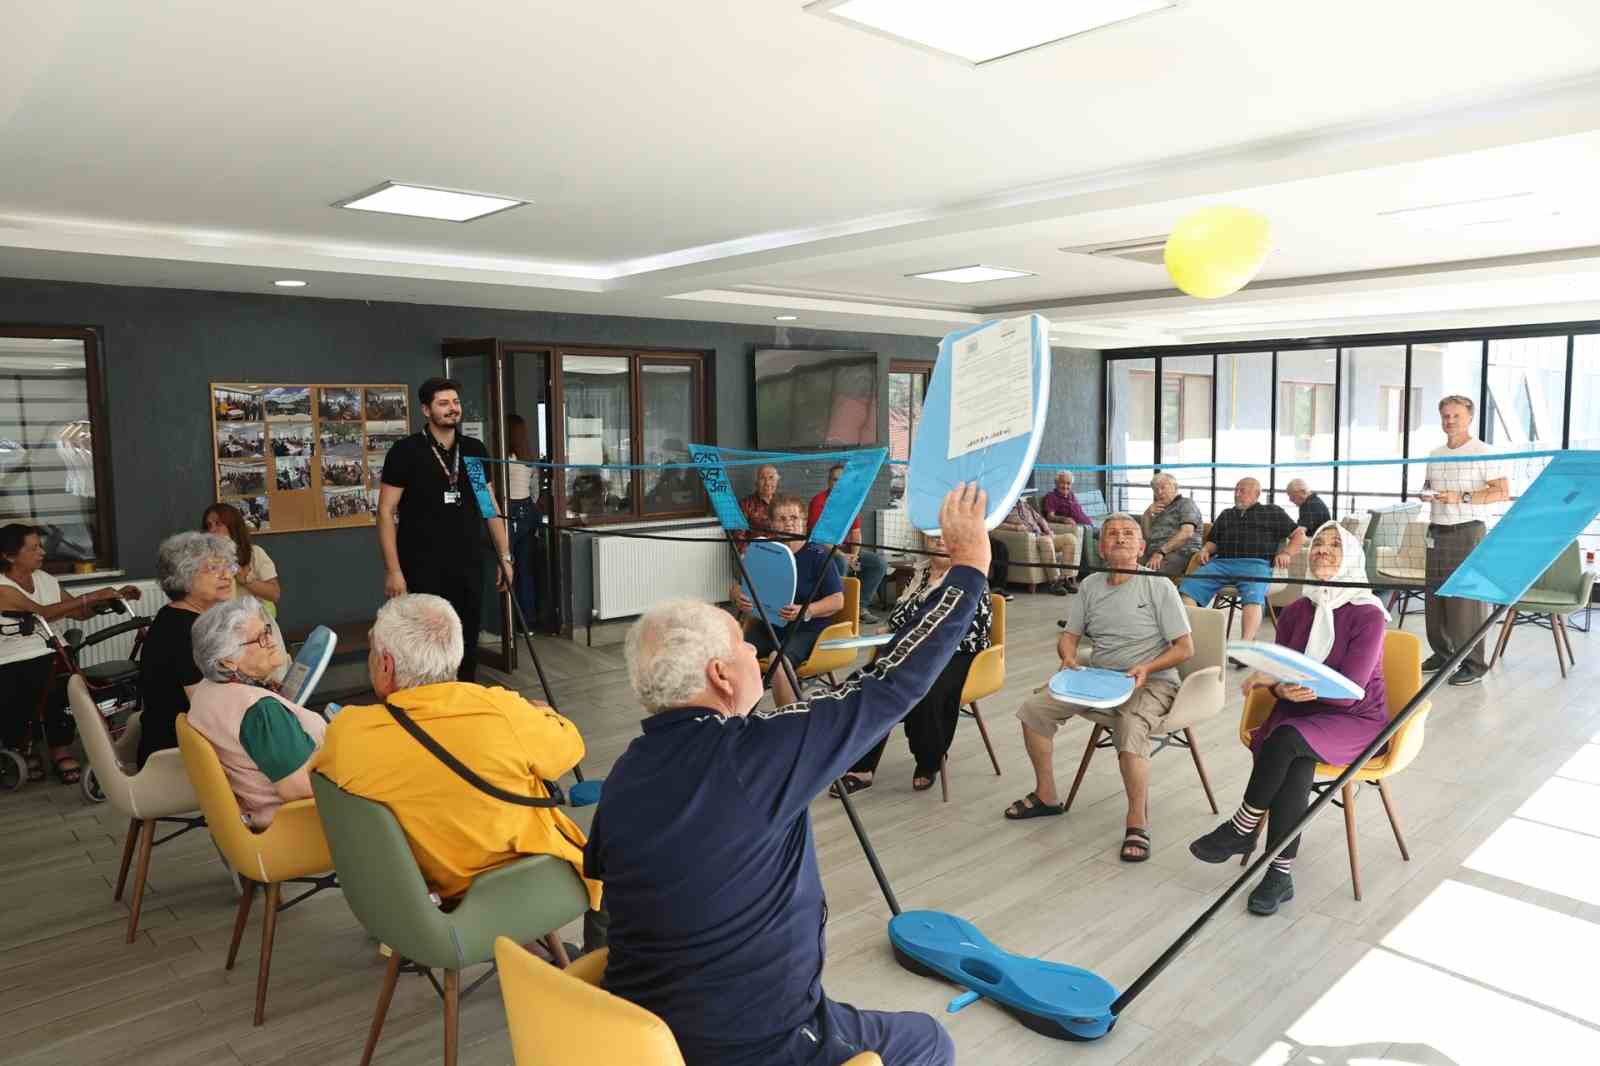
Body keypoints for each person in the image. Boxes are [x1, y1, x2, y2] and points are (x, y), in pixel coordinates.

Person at [587, 484, 991, 1066]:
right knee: (930, 1042)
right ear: (723, 676)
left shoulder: (626, 769)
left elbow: (605, 880)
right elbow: (889, 686)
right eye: (744, 646)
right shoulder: (758, 756)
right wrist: (971, 569)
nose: (756, 653)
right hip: (756, 1044)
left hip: (640, 1034)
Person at [313, 594, 605, 946]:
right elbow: (570, 749)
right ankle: (592, 978)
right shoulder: (499, 710)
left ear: (386, 666)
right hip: (519, 879)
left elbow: (322, 781)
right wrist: (544, 714)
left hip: (418, 899)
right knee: (617, 856)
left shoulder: (348, 733)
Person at [1189, 521, 1389, 915]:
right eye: (1317, 545)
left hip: (1354, 716)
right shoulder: (1298, 608)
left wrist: (1296, 688)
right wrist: (1279, 689)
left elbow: (1351, 689)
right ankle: (1279, 874)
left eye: (1335, 545)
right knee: (1295, 759)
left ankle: (1243, 828)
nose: (1323, 550)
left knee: (1287, 741)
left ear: (1351, 557)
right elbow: (1283, 667)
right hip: (1300, 709)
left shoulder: (1369, 614)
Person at [1003, 515, 1193, 862]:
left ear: (1141, 546)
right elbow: (1070, 636)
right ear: (1102, 547)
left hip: (1151, 680)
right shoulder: (1090, 585)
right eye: (1112, 535)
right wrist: (1068, 657)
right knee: (1034, 709)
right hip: (1099, 677)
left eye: (1128, 534)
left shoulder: (1159, 586)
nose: (1120, 539)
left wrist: (1146, 668)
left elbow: (1185, 648)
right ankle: (1047, 796)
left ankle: (1137, 819)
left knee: (1130, 727)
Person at [377, 376, 514, 683]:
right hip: (421, 566)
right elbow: (386, 512)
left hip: (468, 564)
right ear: (426, 410)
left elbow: (489, 507)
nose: (453, 409)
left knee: (466, 639)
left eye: (455, 402)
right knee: (426, 642)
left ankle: (463, 697)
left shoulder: (473, 450)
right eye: (443, 404)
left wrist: (505, 556)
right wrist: (393, 569)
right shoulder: (405, 451)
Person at [836, 530, 993, 794]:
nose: (940, 541)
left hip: (958, 653)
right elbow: (900, 617)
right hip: (913, 650)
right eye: (934, 537)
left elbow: (967, 628)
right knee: (865, 684)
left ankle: (929, 759)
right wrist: (887, 627)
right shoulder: (918, 575)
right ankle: (862, 764)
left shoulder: (969, 578)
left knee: (927, 690)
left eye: (946, 537)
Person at [0, 524, 137, 783]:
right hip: (11, 659)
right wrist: (93, 594)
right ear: (9, 556)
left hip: (53, 651)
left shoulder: (45, 580)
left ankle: (59, 748)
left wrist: (110, 600)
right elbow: (42, 612)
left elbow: (78, 612)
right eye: (33, 548)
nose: (42, 552)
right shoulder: (2, 587)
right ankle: (24, 746)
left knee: (63, 676)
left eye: (40, 546)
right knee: (51, 672)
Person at [186, 596, 326, 829]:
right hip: (297, 827)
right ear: (228, 661)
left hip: (256, 819)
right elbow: (299, 789)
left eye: (267, 630)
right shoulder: (261, 712)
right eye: (260, 638)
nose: (272, 641)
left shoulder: (205, 690)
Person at [1419, 394, 1508, 687]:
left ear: (1469, 418)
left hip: (1467, 531)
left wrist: (1464, 497)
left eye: (1456, 415)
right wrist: (1426, 492)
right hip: (1436, 530)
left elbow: (1501, 492)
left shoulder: (1483, 451)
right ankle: (1443, 654)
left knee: (1465, 602)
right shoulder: (1435, 453)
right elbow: (1429, 485)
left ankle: (1474, 664)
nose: (1450, 420)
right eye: (1445, 415)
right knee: (1435, 597)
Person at [139, 532, 237, 768]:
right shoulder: (183, 630)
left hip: (188, 742)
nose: (226, 575)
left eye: (228, 566)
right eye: (213, 568)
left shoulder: (180, 617)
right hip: (179, 756)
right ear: (184, 577)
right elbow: (206, 708)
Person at [1181, 478, 1306, 648]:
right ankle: (1193, 640)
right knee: (1188, 587)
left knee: (1253, 594)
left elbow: (1299, 535)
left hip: (1255, 564)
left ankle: (1245, 647)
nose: (1237, 494)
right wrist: (1205, 550)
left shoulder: (1272, 512)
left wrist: (1286, 553)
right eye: (1236, 490)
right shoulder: (1226, 514)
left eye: (1243, 490)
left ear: (1256, 493)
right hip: (1221, 563)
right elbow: (1213, 542)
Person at [729, 495, 844, 671]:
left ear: (804, 522)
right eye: (781, 519)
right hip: (769, 625)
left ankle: (791, 699)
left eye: (794, 518)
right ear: (772, 524)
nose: (789, 523)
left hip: (808, 629)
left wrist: (805, 611)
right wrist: (738, 596)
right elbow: (738, 587)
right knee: (733, 656)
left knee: (780, 660)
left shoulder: (819, 555)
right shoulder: (765, 550)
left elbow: (837, 601)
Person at [807, 462, 888, 623]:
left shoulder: (850, 502)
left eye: (842, 481)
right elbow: (820, 539)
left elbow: (856, 534)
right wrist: (844, 556)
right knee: (840, 562)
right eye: (834, 480)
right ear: (829, 482)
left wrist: (854, 556)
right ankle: (838, 611)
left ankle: (859, 608)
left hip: (844, 549)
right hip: (820, 549)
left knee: (878, 563)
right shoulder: (819, 502)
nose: (838, 484)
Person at [202, 502, 281, 619]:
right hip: (220, 623)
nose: (212, 530)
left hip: (256, 623)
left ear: (233, 527)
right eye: (209, 525)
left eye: (218, 524)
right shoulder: (203, 559)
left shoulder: (255, 553)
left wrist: (245, 579)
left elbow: (274, 594)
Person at [997, 494, 1073, 594]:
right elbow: (997, 524)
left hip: (1042, 534)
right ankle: (1054, 582)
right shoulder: (1002, 507)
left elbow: (1040, 519)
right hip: (1031, 540)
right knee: (1046, 541)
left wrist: (1048, 530)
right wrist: (1016, 528)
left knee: (1070, 539)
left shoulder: (1024, 504)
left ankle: (1065, 579)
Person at [505, 414, 540, 624]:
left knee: (506, 566)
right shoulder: (529, 457)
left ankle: (508, 621)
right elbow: (535, 492)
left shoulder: (504, 457)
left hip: (510, 510)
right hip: (528, 510)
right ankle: (528, 621)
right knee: (525, 570)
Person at [1141, 473, 1204, 578]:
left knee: (1150, 577)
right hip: (1154, 553)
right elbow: (1148, 536)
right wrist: (1147, 514)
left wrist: (1161, 552)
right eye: (1156, 490)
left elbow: (1186, 533)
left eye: (1162, 488)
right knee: (1122, 567)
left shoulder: (1186, 503)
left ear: (1175, 488)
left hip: (1180, 552)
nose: (1159, 493)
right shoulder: (1159, 509)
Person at [735, 462, 780, 548]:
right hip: (758, 552)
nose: (767, 483)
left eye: (771, 478)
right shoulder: (746, 504)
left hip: (782, 551)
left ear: (777, 480)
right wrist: (747, 555)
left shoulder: (783, 502)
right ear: (756, 482)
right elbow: (738, 535)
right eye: (762, 478)